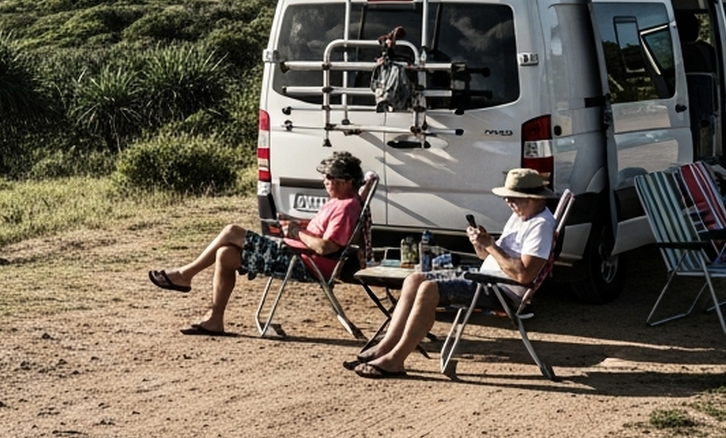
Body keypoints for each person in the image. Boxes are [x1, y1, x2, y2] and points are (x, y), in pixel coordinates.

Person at [345, 167, 556, 378]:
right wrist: (480, 244)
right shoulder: (521, 216)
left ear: (533, 198)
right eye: (507, 198)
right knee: (414, 279)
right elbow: (487, 257)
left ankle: (395, 360)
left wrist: (491, 246)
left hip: (500, 291)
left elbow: (524, 275)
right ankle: (386, 346)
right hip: (485, 279)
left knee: (429, 289)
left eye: (513, 199)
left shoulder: (541, 226)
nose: (508, 203)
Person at [147, 151, 365, 336]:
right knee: (225, 254)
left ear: (346, 181)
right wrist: (296, 227)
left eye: (329, 177)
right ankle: (214, 319)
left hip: (306, 262)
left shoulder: (346, 207)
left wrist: (298, 233)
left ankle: (185, 275)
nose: (324, 181)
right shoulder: (338, 201)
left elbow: (325, 247)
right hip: (297, 254)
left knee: (231, 231)